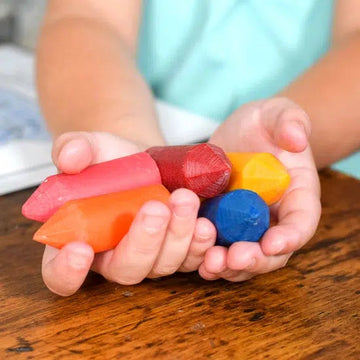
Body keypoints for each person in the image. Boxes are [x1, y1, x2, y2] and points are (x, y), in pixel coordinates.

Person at [36, 0, 360, 296]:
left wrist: (289, 132)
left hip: (335, 169)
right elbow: (85, 18)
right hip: (152, 125)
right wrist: (136, 153)